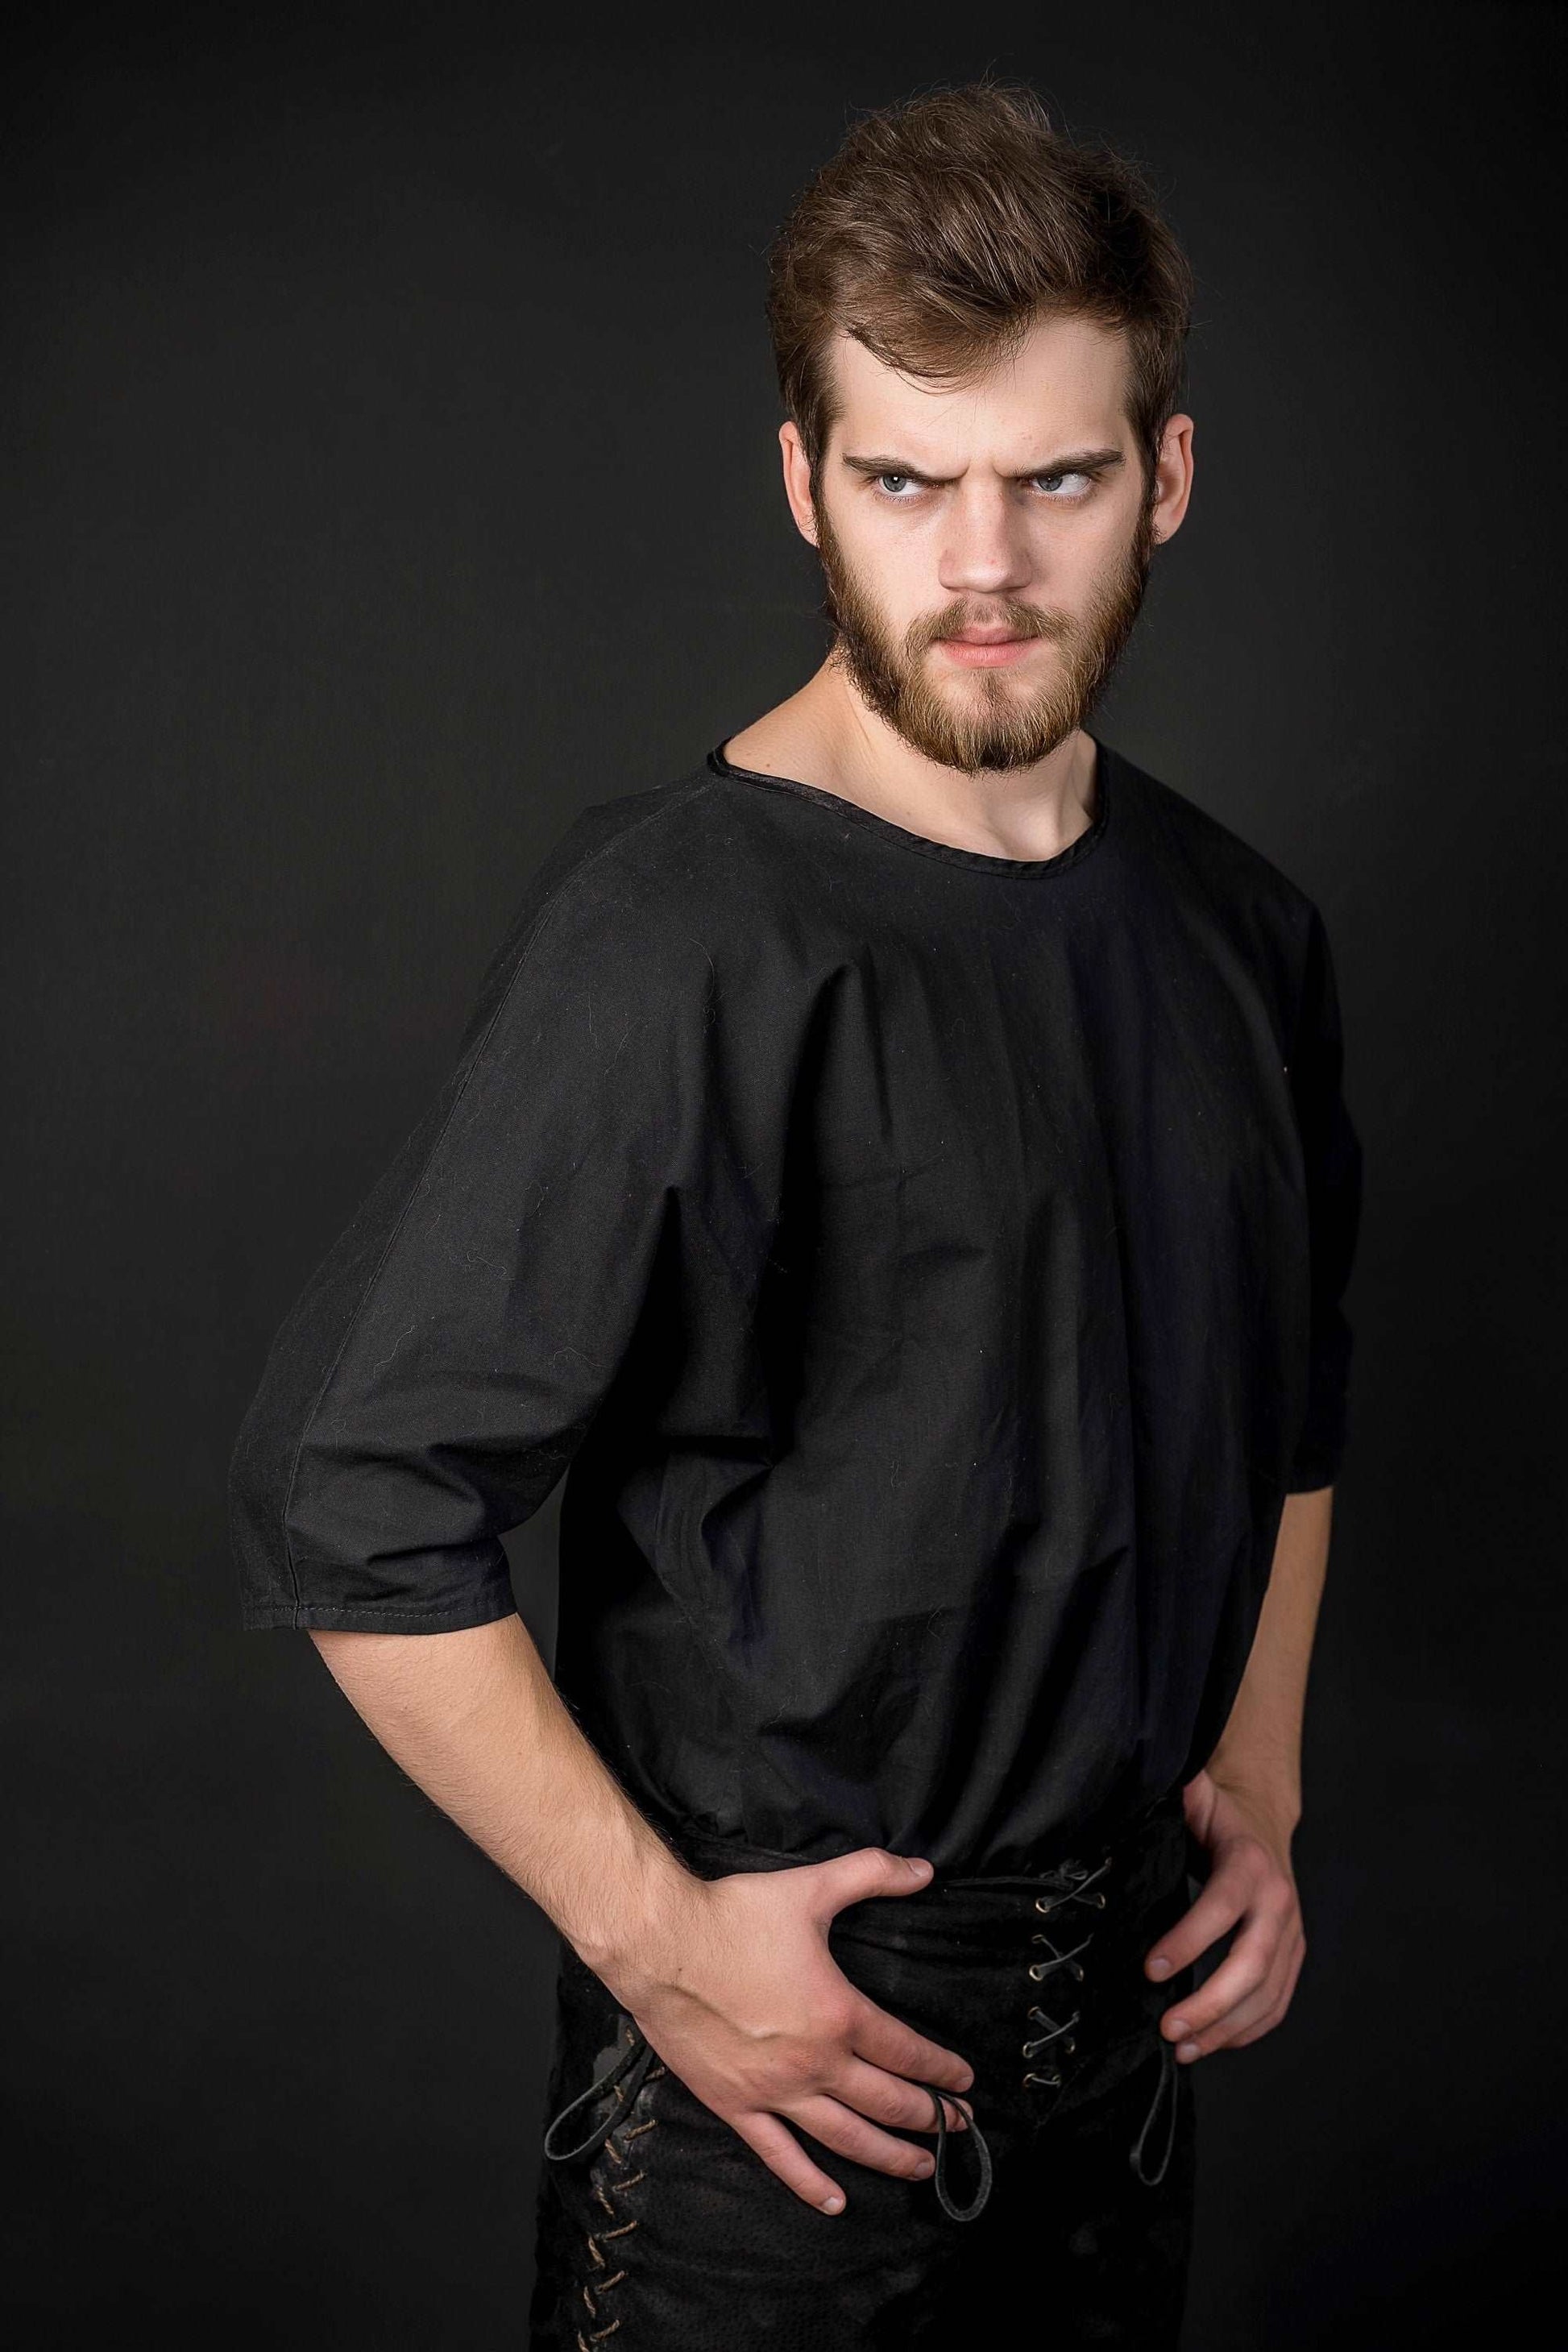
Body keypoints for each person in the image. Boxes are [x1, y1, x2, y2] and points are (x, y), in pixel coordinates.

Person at [230, 80, 1363, 2349]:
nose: (982, 567)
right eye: (906, 482)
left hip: (1129, 2069)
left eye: (1053, 479)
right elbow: (350, 1498)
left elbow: (1291, 1410)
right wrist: (663, 1949)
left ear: (1165, 475)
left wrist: (1259, 1774)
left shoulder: (1243, 934)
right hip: (787, 2097)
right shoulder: (673, 933)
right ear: (801, 485)